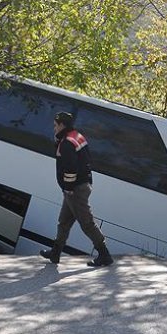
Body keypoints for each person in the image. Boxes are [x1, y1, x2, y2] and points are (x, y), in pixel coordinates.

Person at [40, 112, 114, 267]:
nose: (53, 128)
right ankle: (55, 252)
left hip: (75, 189)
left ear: (61, 125)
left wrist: (68, 188)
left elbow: (71, 167)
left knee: (87, 222)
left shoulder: (67, 142)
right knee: (64, 221)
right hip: (81, 185)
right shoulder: (76, 136)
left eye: (55, 125)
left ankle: (104, 254)